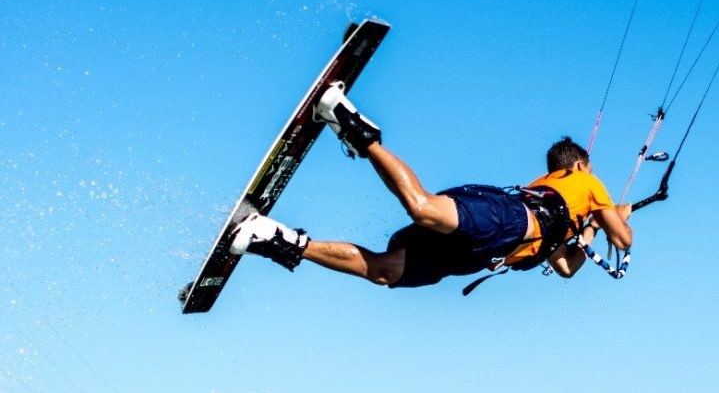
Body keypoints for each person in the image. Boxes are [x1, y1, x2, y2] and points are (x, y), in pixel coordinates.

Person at [230, 83, 633, 288]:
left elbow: (565, 267)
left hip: (481, 254)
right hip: (506, 220)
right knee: (421, 208)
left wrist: (594, 226)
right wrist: (616, 216)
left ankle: (276, 238)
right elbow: (625, 241)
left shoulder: (573, 210)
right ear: (580, 164)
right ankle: (349, 122)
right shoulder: (586, 180)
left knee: (384, 272)